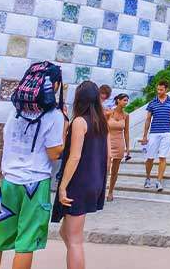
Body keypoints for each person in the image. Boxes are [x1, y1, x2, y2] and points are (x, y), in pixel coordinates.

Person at [0, 64, 66, 269]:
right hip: (35, 183)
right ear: (54, 85)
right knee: (26, 243)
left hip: (10, 181)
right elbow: (54, 152)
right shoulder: (54, 115)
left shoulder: (15, 111)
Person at [52, 82, 108, 269]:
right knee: (65, 232)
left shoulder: (79, 122)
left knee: (74, 240)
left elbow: (74, 157)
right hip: (94, 181)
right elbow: (106, 156)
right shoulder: (100, 122)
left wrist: (62, 186)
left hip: (79, 182)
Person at [140, 81, 170, 192]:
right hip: (154, 133)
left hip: (166, 133)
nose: (159, 91)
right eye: (158, 89)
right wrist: (144, 136)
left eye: (161, 89)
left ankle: (159, 181)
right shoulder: (152, 103)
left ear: (166, 89)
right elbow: (148, 120)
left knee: (163, 157)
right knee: (150, 157)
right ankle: (148, 177)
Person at [105, 93, 130, 202]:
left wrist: (128, 148)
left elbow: (127, 132)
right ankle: (100, 190)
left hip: (119, 143)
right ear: (118, 100)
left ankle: (110, 191)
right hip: (108, 142)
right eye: (124, 100)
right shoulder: (109, 113)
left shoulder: (126, 115)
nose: (126, 102)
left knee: (115, 170)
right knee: (106, 167)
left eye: (127, 100)